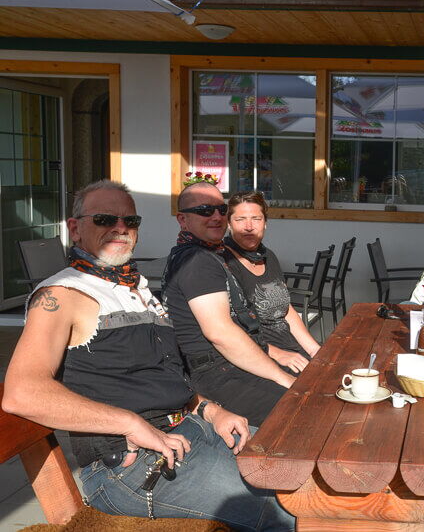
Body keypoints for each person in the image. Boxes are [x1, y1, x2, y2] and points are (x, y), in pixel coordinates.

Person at [1, 181, 294, 530]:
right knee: (286, 510)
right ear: (75, 228)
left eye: (130, 220)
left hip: (190, 430)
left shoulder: (137, 289)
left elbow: (160, 378)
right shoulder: (62, 295)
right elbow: (22, 394)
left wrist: (211, 410)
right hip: (131, 465)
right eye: (104, 219)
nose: (120, 228)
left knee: (293, 465)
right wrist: (130, 423)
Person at [162, 182, 295, 427]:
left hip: (229, 365)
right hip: (216, 374)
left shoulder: (209, 253)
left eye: (221, 210)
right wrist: (281, 377)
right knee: (300, 407)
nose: (216, 217)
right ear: (182, 219)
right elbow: (220, 333)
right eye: (204, 211)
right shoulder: (196, 260)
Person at [224, 190, 320, 366]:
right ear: (229, 223)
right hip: (257, 355)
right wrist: (278, 354)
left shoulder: (268, 256)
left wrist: (314, 349)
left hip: (289, 346)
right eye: (240, 219)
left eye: (256, 219)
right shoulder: (223, 261)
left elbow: (285, 309)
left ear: (265, 223)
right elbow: (226, 327)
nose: (249, 226)